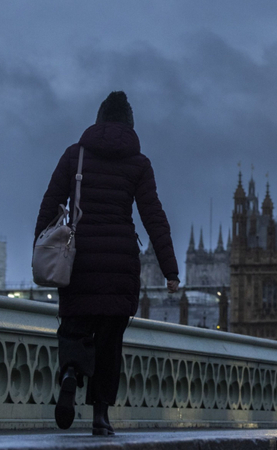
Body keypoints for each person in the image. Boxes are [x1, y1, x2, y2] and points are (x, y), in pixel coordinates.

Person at [35, 91, 179, 436]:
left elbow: (50, 203)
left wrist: (40, 247)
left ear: (98, 120)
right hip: (120, 265)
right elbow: (153, 217)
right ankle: (101, 416)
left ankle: (70, 373)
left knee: (74, 327)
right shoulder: (139, 164)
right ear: (130, 124)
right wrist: (170, 269)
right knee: (110, 343)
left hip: (79, 259)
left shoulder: (75, 155)